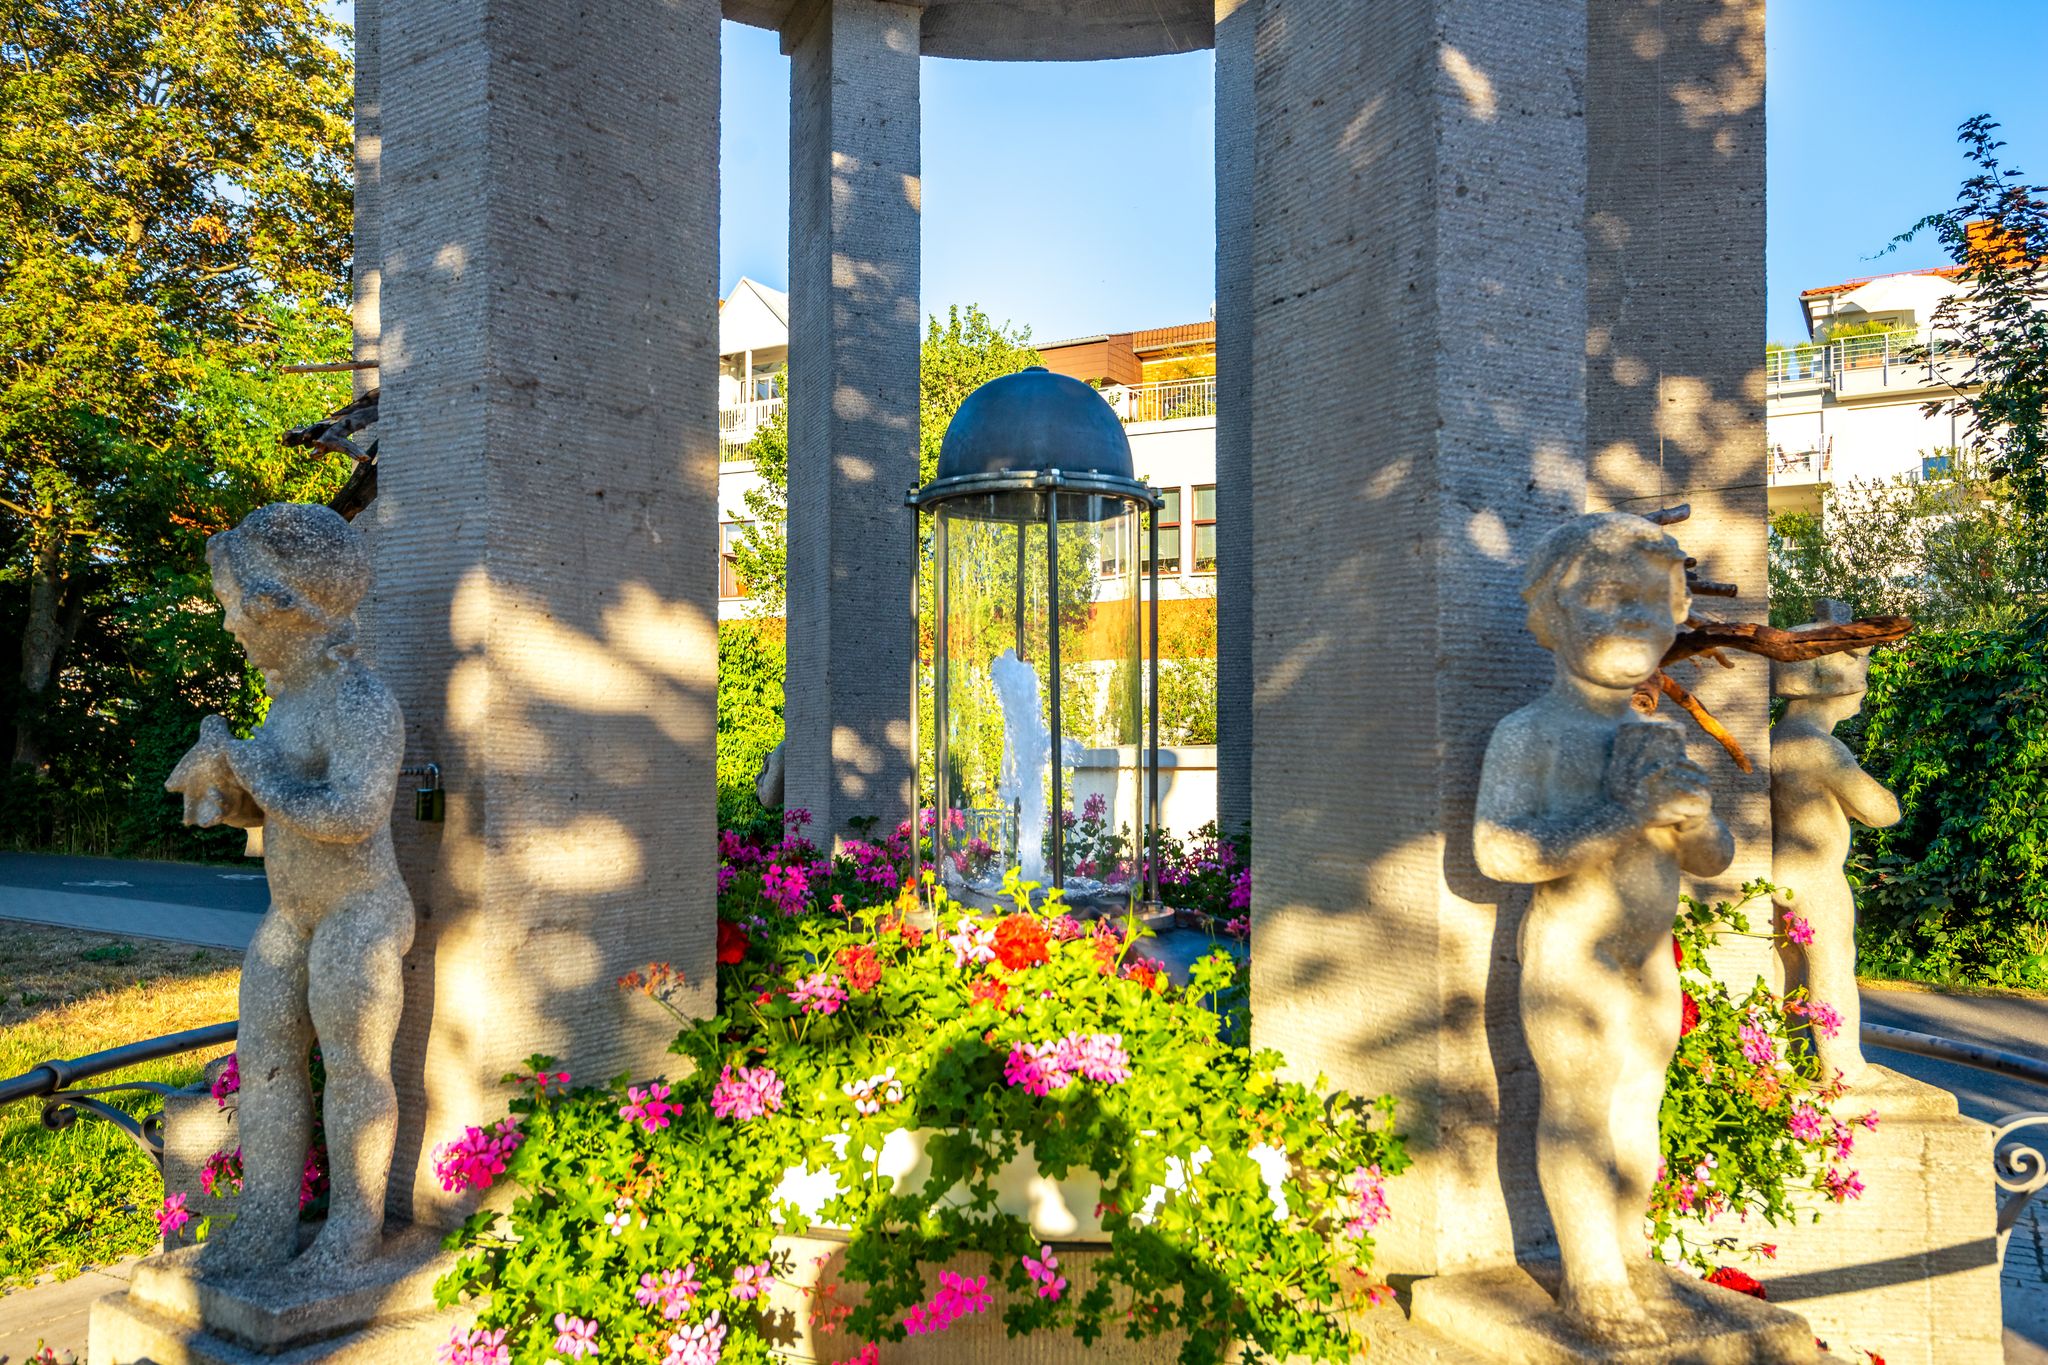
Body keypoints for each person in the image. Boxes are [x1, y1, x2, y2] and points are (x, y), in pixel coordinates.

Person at [1474, 512, 1733, 1345]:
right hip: (1572, 952)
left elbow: (1712, 855)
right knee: (1579, 1109)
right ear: (1550, 614)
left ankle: (1631, 1252)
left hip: (1649, 958)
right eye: (1605, 597)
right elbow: (1500, 851)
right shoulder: (1531, 733)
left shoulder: (1658, 730)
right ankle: (1591, 1277)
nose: (1633, 619)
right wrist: (1621, 815)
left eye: (1653, 602)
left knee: (1640, 1108)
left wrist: (1692, 823)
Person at [166, 503, 412, 1274]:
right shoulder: (287, 702)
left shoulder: (360, 702)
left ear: (288, 609)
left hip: (360, 914)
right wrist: (226, 785)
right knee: (265, 1050)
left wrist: (258, 772)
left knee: (353, 1065)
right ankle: (268, 1219)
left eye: (240, 606)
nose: (233, 625)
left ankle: (351, 1231)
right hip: (291, 914)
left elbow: (352, 813)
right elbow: (274, 811)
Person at [1771, 600, 1900, 1086]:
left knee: (1783, 966)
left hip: (1777, 868)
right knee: (1831, 965)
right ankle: (1843, 1065)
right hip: (1816, 874)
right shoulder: (1821, 747)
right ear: (1835, 688)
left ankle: (1780, 1056)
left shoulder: (1777, 739)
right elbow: (1880, 810)